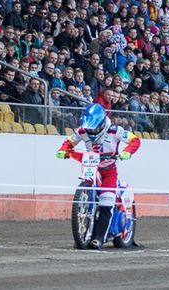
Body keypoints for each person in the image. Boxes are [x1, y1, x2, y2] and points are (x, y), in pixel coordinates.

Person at [56, 103, 141, 249]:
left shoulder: (116, 130)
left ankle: (99, 238)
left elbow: (135, 140)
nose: (91, 132)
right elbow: (69, 141)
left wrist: (127, 152)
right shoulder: (82, 131)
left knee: (106, 201)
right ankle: (85, 234)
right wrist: (63, 150)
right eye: (89, 129)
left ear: (102, 123)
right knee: (92, 193)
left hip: (108, 170)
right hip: (91, 167)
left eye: (94, 128)